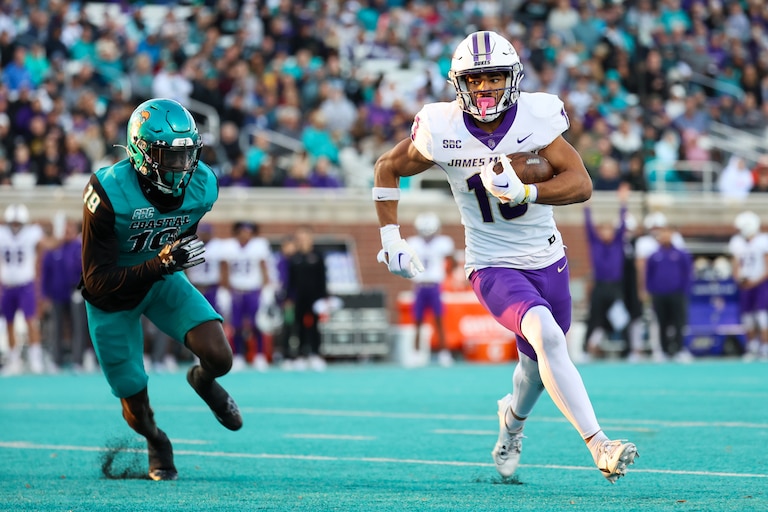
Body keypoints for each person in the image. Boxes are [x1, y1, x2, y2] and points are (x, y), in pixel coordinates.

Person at [372, 30, 637, 483]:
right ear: (459, 83)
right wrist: (391, 236)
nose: (484, 88)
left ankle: (510, 426)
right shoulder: (442, 126)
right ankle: (599, 444)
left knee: (534, 368)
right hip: (491, 263)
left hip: (549, 259)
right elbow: (387, 166)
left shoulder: (536, 117)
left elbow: (582, 183)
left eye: (494, 77)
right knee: (548, 337)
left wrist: (528, 189)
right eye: (475, 80)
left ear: (512, 78)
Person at [80, 98, 242, 481]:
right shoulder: (108, 190)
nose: (181, 167)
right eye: (169, 157)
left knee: (220, 356)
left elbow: (180, 228)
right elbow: (97, 282)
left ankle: (201, 380)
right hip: (112, 299)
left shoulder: (203, 185)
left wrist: (170, 259)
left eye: (187, 155)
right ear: (141, 153)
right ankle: (157, 440)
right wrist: (163, 262)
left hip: (161, 279)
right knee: (136, 404)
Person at [0, 204, 48, 375]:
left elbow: (45, 244)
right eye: (12, 222)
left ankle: (35, 359)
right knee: (9, 323)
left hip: (25, 284)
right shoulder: (2, 233)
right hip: (7, 285)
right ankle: (14, 360)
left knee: (31, 321)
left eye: (18, 222)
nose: (15, 226)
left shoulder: (32, 233)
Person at [582, 188, 629, 359]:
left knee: (621, 318)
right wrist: (587, 207)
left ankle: (628, 351)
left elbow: (623, 225)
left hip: (615, 287)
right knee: (594, 317)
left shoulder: (617, 243)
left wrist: (623, 203)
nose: (607, 233)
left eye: (610, 230)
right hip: (600, 286)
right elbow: (588, 226)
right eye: (604, 230)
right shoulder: (596, 243)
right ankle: (585, 350)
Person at [220, 221, 273, 372]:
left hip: (253, 290)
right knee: (236, 325)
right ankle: (238, 355)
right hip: (236, 291)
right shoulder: (229, 246)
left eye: (248, 231)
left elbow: (264, 267)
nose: (245, 234)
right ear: (237, 232)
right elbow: (224, 269)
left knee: (258, 324)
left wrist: (267, 288)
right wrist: (224, 289)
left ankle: (260, 355)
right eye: (243, 231)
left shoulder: (259, 245)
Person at [406, 212, 455, 367]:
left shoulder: (443, 242)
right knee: (417, 320)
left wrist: (445, 275)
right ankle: (416, 353)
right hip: (420, 285)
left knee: (439, 320)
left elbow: (451, 261)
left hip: (435, 285)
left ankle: (444, 353)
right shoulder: (413, 242)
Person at [644, 224, 694, 362]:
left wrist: (684, 291)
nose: (665, 235)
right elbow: (649, 275)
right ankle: (664, 351)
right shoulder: (654, 256)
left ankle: (679, 350)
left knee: (679, 323)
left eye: (668, 232)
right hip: (659, 295)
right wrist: (650, 292)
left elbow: (688, 273)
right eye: (663, 233)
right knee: (662, 323)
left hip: (677, 294)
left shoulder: (681, 254)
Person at [285, 225, 329, 371]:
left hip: (315, 298)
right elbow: (290, 280)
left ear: (311, 239)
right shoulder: (295, 258)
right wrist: (288, 298)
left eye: (305, 237)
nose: (303, 241)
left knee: (315, 326)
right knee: (299, 326)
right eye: (300, 238)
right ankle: (301, 355)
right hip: (299, 298)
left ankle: (315, 354)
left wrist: (324, 297)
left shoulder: (317, 257)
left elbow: (323, 279)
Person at [728, 211, 768, 361]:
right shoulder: (737, 242)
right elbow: (736, 264)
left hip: (762, 283)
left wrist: (755, 281)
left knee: (763, 317)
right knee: (748, 318)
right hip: (745, 284)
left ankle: (765, 347)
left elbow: (767, 265)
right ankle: (752, 346)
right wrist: (739, 279)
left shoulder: (763, 240)